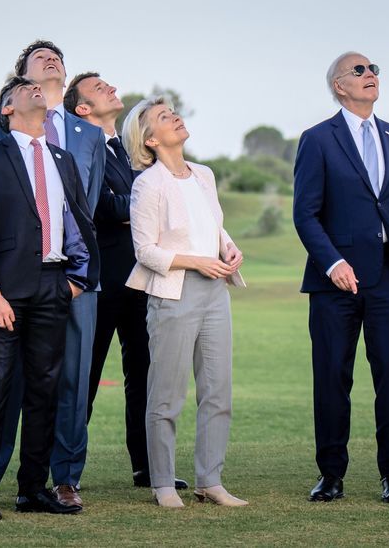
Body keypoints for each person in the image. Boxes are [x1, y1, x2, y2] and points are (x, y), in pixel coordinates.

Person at [293, 52, 389, 504]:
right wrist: (333, 262)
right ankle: (330, 475)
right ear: (338, 85)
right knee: (332, 378)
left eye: (374, 70)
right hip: (335, 283)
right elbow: (306, 214)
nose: (370, 75)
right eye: (359, 71)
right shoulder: (317, 139)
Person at [0, 76, 97, 520]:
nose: (34, 90)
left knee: (45, 390)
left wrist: (77, 279)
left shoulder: (60, 157)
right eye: (23, 89)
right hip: (4, 291)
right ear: (6, 109)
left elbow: (80, 219)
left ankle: (31, 490)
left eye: (37, 88)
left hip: (54, 286)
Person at [63, 72, 188, 491]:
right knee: (85, 378)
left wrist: (134, 202)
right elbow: (97, 206)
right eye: (99, 89)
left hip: (140, 280)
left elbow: (129, 204)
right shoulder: (80, 149)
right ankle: (65, 473)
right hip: (99, 282)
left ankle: (149, 468)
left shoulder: (128, 153)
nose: (111, 89)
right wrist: (143, 201)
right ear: (82, 109)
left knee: (145, 375)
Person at [125, 96, 246, 509]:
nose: (174, 118)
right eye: (163, 117)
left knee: (218, 391)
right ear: (151, 139)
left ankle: (209, 480)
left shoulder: (204, 175)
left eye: (172, 112)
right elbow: (145, 251)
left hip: (215, 293)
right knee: (166, 395)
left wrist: (229, 250)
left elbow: (214, 226)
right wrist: (197, 261)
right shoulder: (147, 184)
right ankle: (162, 483)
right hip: (173, 296)